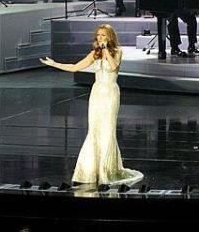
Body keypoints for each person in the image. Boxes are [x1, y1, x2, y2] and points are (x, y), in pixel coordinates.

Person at [40, 25, 144, 186]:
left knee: (108, 130)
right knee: (95, 130)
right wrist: (54, 64)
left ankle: (107, 171)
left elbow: (114, 66)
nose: (100, 38)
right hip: (96, 94)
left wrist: (105, 51)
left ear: (110, 36)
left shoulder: (117, 51)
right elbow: (75, 67)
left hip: (110, 93)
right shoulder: (94, 54)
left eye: (103, 35)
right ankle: (90, 170)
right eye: (98, 35)